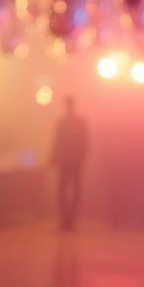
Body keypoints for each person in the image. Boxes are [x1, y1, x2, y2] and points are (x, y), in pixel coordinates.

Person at [50, 96, 88, 231]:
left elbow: (57, 142)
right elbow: (85, 143)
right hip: (74, 161)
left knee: (63, 191)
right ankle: (70, 219)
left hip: (66, 161)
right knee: (74, 191)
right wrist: (82, 158)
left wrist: (53, 159)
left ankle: (66, 220)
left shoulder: (62, 123)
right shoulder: (79, 122)